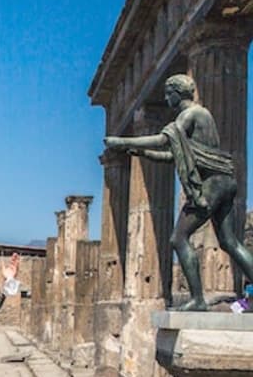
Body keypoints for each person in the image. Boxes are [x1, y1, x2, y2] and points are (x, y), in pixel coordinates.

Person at [104, 73, 253, 311]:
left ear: (176, 93)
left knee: (178, 238)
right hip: (226, 181)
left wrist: (124, 142)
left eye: (167, 93)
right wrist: (143, 154)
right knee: (229, 241)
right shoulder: (204, 117)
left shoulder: (190, 114)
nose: (165, 98)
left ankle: (197, 300)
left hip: (212, 183)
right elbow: (174, 156)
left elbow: (164, 140)